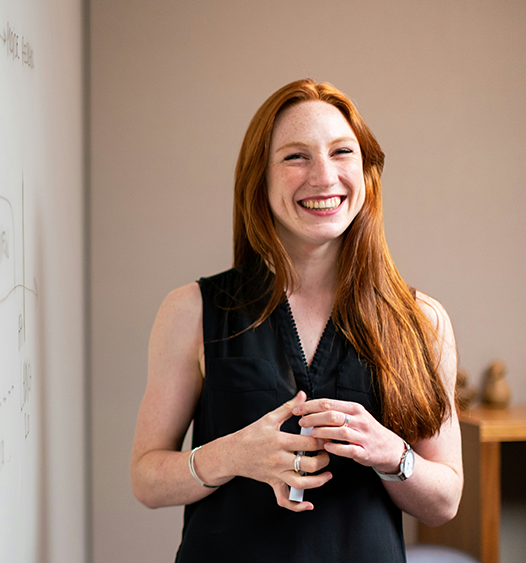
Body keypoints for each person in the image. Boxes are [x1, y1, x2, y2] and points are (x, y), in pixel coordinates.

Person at [131, 79, 461, 562]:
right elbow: (146, 479)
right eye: (295, 157)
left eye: (341, 152)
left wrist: (392, 454)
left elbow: (445, 501)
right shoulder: (191, 311)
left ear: (367, 173)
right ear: (258, 179)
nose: (323, 177)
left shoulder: (423, 322)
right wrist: (233, 456)